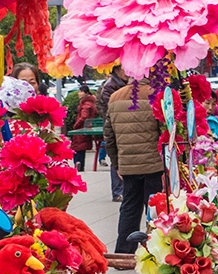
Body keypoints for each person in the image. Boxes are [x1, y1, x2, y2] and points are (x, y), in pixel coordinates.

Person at [103, 77, 166, 254]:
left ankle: (124, 251)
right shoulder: (156, 96)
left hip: (128, 165)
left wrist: (117, 163)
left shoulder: (115, 97)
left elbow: (109, 136)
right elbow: (163, 132)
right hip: (154, 164)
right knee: (154, 209)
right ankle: (157, 251)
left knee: (129, 207)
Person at [96, 64, 128, 201]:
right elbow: (110, 109)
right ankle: (118, 191)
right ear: (116, 70)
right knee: (116, 159)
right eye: (124, 68)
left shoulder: (124, 83)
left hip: (123, 125)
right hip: (115, 126)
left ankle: (123, 190)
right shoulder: (110, 86)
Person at [68, 89, 99, 172]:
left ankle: (77, 165)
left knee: (77, 147)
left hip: (81, 129)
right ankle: (80, 165)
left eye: (81, 91)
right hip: (86, 128)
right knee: (82, 148)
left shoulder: (86, 104)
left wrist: (76, 125)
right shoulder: (91, 102)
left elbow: (84, 116)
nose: (79, 93)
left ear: (86, 93)